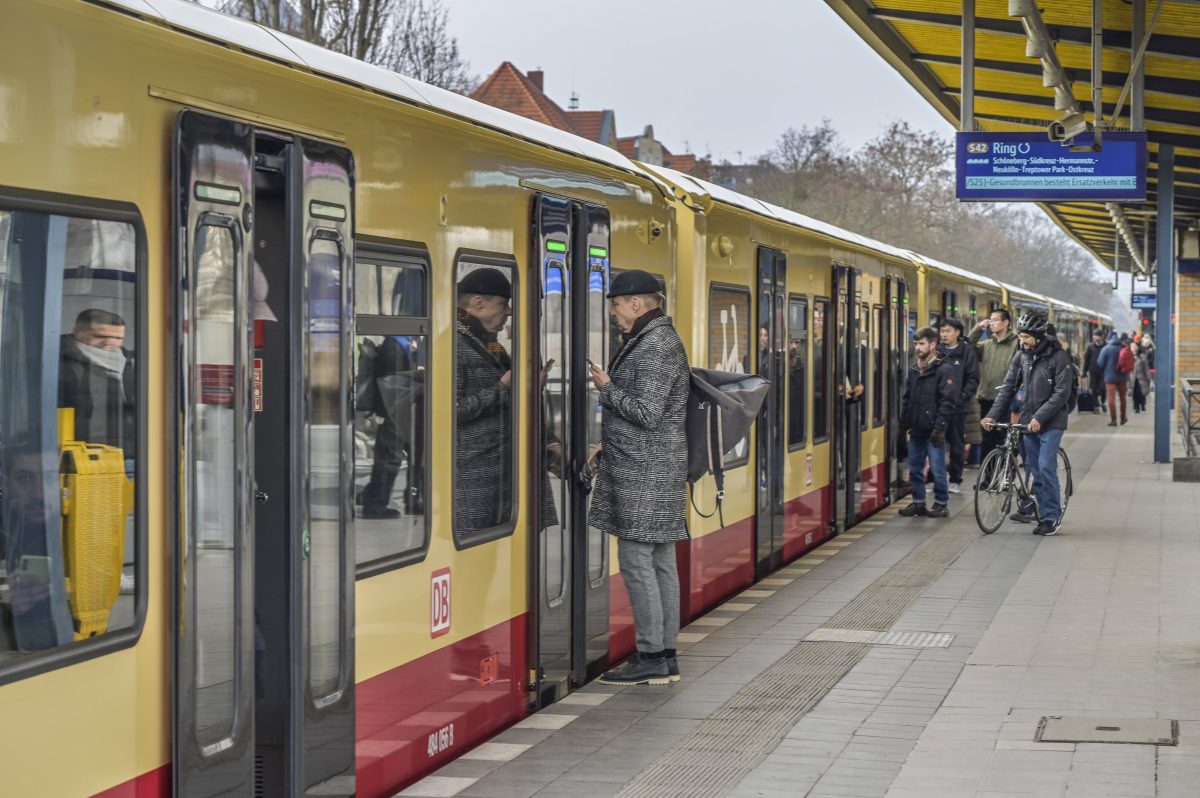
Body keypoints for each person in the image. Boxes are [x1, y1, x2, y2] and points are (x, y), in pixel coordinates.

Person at [588, 269, 689, 686]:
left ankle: (651, 653)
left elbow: (647, 413)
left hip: (645, 471)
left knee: (637, 561)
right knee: (661, 560)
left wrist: (606, 387)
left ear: (635, 303)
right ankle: (663, 653)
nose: (613, 313)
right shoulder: (656, 340)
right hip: (651, 466)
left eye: (615, 305)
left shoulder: (655, 345)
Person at [983, 313, 1072, 536]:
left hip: (1051, 423)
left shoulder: (1059, 358)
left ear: (1038, 337)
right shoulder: (1022, 357)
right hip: (1027, 423)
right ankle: (1042, 515)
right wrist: (992, 415)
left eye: (1026, 337)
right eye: (1021, 336)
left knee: (1045, 467)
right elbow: (1008, 387)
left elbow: (1061, 393)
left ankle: (1051, 517)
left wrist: (1039, 418)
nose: (1022, 340)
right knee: (1035, 472)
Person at [454, 268, 513, 533]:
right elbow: (450, 411)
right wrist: (503, 388)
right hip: (473, 477)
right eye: (503, 304)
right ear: (478, 304)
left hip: (497, 473)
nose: (509, 312)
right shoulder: (455, 344)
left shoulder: (488, 343)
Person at [58, 308, 136, 453]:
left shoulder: (131, 363)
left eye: (118, 338)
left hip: (128, 453)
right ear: (78, 332)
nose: (110, 343)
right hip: (76, 453)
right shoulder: (57, 360)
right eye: (100, 336)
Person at [898, 328, 956, 518]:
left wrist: (940, 428)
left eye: (921, 344)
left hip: (934, 429)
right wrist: (903, 425)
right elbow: (907, 398)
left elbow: (947, 402)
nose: (918, 347)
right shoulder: (915, 368)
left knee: (937, 468)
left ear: (932, 344)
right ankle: (918, 502)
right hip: (916, 429)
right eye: (916, 344)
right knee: (915, 467)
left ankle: (941, 503)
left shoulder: (944, 368)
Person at [936, 318, 979, 494]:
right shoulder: (937, 351)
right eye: (942, 331)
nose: (944, 334)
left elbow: (973, 378)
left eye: (948, 331)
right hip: (938, 406)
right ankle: (935, 477)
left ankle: (955, 479)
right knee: (936, 442)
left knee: (956, 444)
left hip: (957, 407)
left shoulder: (967, 351)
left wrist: (962, 397)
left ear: (957, 333)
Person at [969, 309, 1019, 460]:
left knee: (1003, 440)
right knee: (987, 441)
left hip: (1006, 400)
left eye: (996, 320)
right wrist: (979, 328)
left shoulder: (1016, 344)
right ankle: (987, 481)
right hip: (986, 398)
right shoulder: (986, 345)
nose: (992, 323)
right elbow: (967, 344)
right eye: (991, 320)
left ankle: (1005, 475)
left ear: (1006, 323)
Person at [1096, 331, 1130, 427]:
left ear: (1109, 338)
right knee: (1123, 398)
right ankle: (1123, 418)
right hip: (1123, 376)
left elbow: (1100, 363)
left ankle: (1113, 420)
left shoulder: (1106, 349)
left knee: (1111, 398)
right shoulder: (1124, 348)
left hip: (1110, 377)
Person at [1082, 330, 1107, 415]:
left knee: (1103, 388)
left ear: (1101, 336)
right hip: (1093, 371)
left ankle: (1103, 402)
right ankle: (1096, 406)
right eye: (1093, 335)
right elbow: (1087, 359)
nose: (1094, 337)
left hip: (1103, 371)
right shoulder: (1090, 347)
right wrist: (1084, 371)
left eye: (1096, 335)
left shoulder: (1106, 346)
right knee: (1093, 389)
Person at [1132, 341, 1152, 414]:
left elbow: (1146, 368)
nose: (1133, 348)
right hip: (1133, 379)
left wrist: (1149, 378)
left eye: (1134, 346)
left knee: (1141, 393)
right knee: (1134, 394)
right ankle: (1136, 407)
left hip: (1141, 378)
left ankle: (1142, 404)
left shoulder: (1142, 356)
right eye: (1132, 347)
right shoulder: (1130, 356)